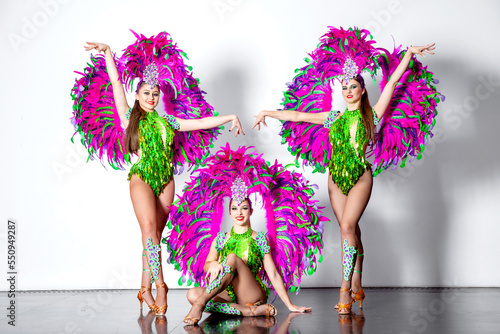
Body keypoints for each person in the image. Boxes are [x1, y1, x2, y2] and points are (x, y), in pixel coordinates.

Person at [252, 42, 436, 314]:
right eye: (344, 87)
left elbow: (393, 82)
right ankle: (358, 282)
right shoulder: (333, 118)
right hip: (335, 180)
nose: (348, 91)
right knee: (351, 230)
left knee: (348, 228)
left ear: (362, 90)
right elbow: (298, 116)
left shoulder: (371, 115)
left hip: (361, 177)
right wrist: (268, 112)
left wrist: (408, 54)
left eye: (353, 87)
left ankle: (345, 287)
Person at [83, 41, 245, 316]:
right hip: (142, 177)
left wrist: (230, 116)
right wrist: (109, 53)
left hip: (166, 181)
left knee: (154, 236)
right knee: (148, 230)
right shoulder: (128, 118)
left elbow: (201, 122)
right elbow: (115, 84)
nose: (151, 98)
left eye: (155, 94)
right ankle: (160, 284)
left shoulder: (168, 122)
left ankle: (144, 288)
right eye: (146, 93)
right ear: (138, 95)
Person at [183, 195, 311, 325]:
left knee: (232, 258)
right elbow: (207, 264)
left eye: (244, 208)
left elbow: (272, 273)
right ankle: (246, 311)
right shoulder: (220, 238)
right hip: (229, 292)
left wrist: (289, 305)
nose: (239, 212)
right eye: (234, 208)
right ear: (229, 212)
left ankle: (200, 304)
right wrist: (213, 264)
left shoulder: (259, 238)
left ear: (251, 211)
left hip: (251, 293)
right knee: (192, 294)